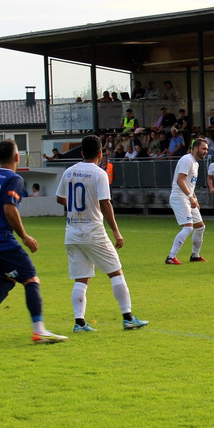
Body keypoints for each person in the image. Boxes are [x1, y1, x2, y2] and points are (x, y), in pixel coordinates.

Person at [0, 139, 67, 344]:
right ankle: (39, 330)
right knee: (31, 279)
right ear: (17, 157)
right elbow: (9, 208)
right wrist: (24, 236)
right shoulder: (14, 179)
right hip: (1, 240)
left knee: (7, 279)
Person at [55, 135, 148, 332]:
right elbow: (105, 203)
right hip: (93, 232)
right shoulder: (99, 174)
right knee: (116, 272)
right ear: (100, 153)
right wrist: (116, 231)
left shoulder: (69, 172)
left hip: (72, 233)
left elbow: (60, 198)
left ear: (81, 152)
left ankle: (79, 323)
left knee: (81, 279)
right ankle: (128, 317)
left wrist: (76, 207)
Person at [166, 138, 209, 264]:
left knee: (200, 227)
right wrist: (190, 197)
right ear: (195, 148)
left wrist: (194, 197)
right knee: (188, 228)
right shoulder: (186, 160)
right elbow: (180, 180)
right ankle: (171, 257)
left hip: (187, 197)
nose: (206, 151)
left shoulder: (196, 163)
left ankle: (195, 255)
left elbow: (189, 183)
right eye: (203, 148)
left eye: (206, 149)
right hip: (179, 197)